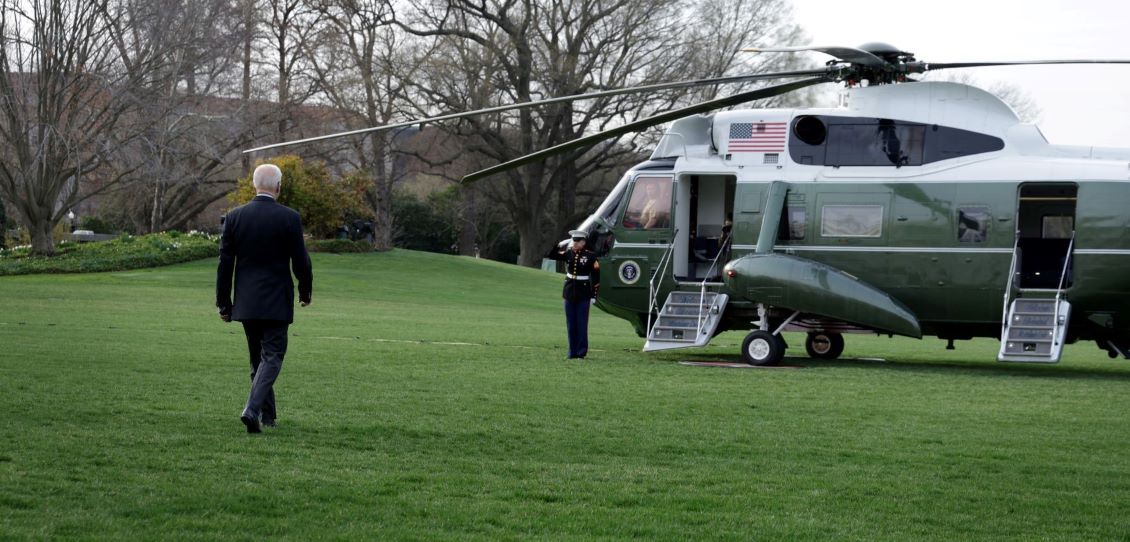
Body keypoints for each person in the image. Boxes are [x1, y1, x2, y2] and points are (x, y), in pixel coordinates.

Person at [216, 164, 313, 434]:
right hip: (276, 300)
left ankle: (267, 417)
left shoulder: (235, 217)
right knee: (272, 356)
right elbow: (301, 261)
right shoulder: (289, 218)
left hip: (247, 301)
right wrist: (305, 292)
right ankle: (252, 409)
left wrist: (224, 303)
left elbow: (225, 264)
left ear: (254, 185)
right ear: (279, 186)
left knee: (258, 360)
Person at [546, 230, 601, 359]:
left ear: (583, 242)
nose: (574, 243)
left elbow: (596, 277)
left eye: (577, 241)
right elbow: (552, 255)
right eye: (573, 241)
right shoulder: (569, 253)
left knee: (581, 323)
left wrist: (594, 295)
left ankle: (581, 352)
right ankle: (572, 352)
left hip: (584, 292)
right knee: (570, 323)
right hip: (569, 292)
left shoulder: (591, 256)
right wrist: (559, 244)